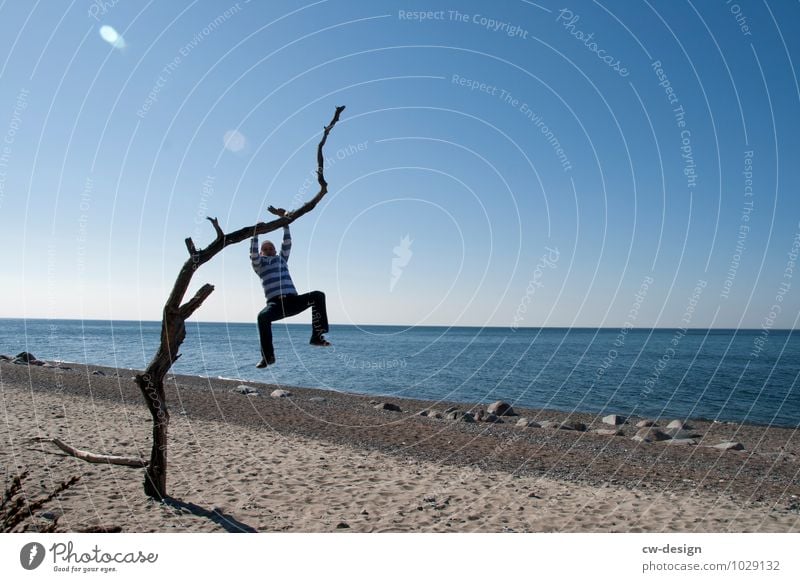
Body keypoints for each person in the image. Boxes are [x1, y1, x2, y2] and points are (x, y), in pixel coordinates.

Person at [250, 207, 330, 368]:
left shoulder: (282, 260)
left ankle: (317, 336)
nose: (269, 250)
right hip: (275, 305)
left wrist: (284, 222)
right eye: (265, 249)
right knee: (262, 317)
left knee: (318, 295)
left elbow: (287, 242)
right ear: (261, 253)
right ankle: (268, 357)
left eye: (271, 248)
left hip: (293, 301)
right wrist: (255, 233)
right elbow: (252, 253)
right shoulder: (259, 265)